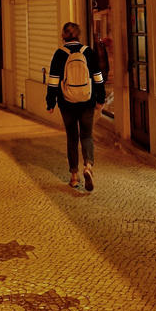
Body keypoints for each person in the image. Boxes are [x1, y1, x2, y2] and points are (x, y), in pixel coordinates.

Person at [46, 22, 105, 191]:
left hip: (66, 102)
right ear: (79, 35)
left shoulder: (59, 54)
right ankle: (88, 166)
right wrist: (100, 99)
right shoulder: (88, 52)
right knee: (87, 135)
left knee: (72, 138)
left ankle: (73, 176)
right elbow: (98, 78)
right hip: (87, 101)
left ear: (63, 35)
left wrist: (51, 103)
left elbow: (53, 82)